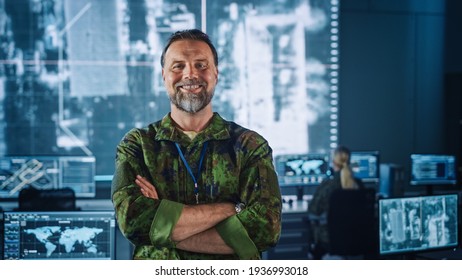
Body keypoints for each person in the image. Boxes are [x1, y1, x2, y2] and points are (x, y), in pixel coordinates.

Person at [111, 29, 282, 260]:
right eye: (178, 66)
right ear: (164, 75)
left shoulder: (250, 145)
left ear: (216, 74)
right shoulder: (137, 145)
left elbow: (265, 230)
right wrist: (231, 209)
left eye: (201, 65)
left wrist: (162, 226)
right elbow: (134, 223)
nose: (190, 74)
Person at [307, 145, 364, 259]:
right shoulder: (359, 185)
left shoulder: (328, 185)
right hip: (356, 240)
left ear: (333, 162)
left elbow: (313, 212)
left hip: (329, 241)